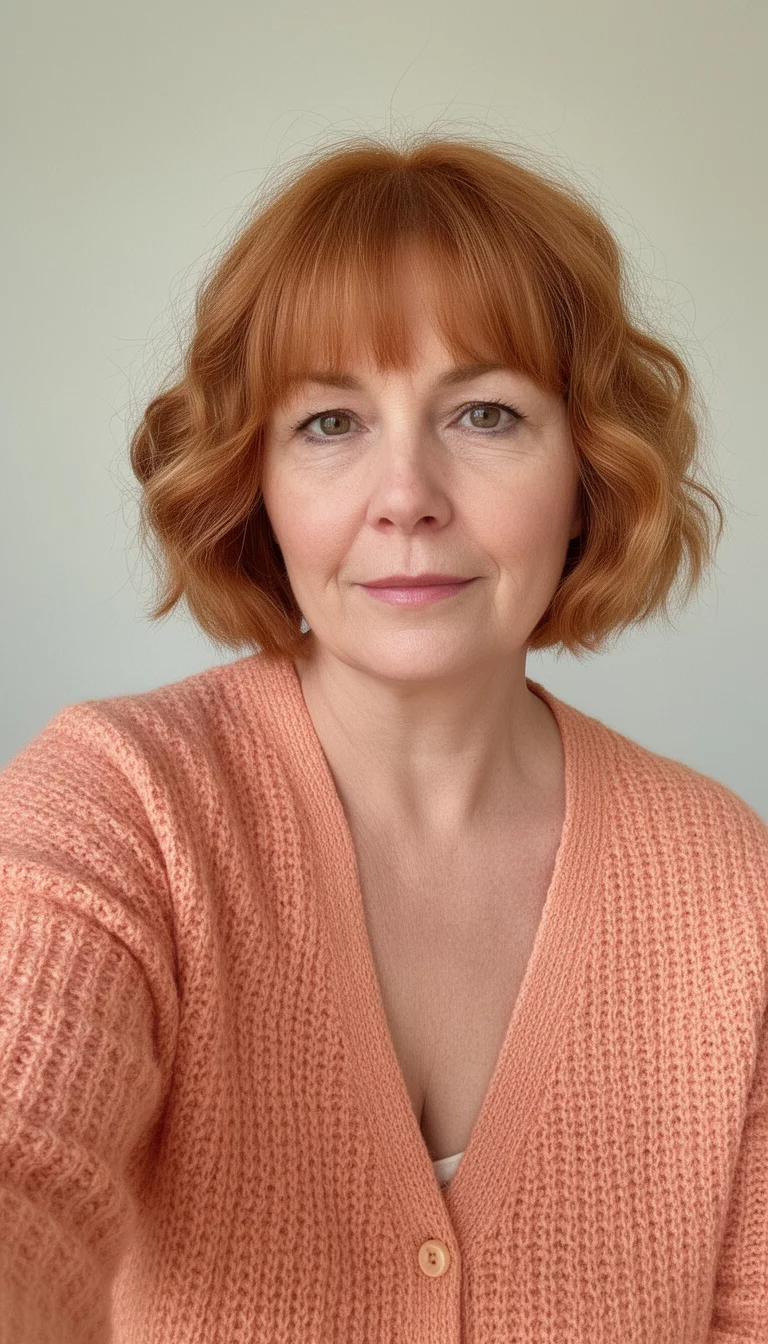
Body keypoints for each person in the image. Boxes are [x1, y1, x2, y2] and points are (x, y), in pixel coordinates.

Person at [1, 131, 766, 1343]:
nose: (405, 494)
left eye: (484, 412)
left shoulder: (729, 881)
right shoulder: (118, 803)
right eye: (328, 425)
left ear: (589, 470)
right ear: (252, 479)